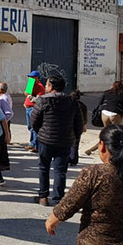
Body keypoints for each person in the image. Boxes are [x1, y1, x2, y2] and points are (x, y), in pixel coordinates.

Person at [45, 125, 123, 245]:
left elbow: (70, 203)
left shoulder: (94, 173)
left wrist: (52, 221)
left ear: (103, 146)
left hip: (95, 243)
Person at [31, 75, 83, 206]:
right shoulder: (72, 101)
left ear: (51, 86)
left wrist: (41, 133)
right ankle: (58, 198)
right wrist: (75, 138)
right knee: (60, 171)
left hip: (46, 141)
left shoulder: (43, 100)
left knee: (44, 168)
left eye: (47, 84)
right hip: (65, 141)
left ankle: (43, 196)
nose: (46, 86)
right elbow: (79, 123)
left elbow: (34, 121)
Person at [84, 81, 123, 156]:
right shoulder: (122, 95)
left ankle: (97, 148)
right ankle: (112, 150)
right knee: (115, 133)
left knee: (106, 132)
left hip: (105, 114)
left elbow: (100, 103)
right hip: (115, 115)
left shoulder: (106, 92)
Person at [24, 71, 45, 153]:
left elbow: (38, 99)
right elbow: (25, 93)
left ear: (37, 78)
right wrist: (28, 96)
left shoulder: (40, 87)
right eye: (30, 77)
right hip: (28, 107)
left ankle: (35, 145)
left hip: (34, 108)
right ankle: (32, 143)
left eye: (32, 77)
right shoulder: (30, 84)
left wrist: (30, 96)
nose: (30, 78)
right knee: (30, 126)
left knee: (35, 127)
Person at [0, 82, 13, 171]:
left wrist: (3, 121)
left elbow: (9, 113)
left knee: (2, 144)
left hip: (3, 123)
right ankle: (3, 162)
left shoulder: (3, 99)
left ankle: (4, 163)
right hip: (4, 123)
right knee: (1, 143)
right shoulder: (5, 96)